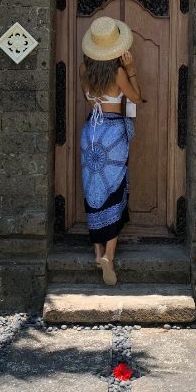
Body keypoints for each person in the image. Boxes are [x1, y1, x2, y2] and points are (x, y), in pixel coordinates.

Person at [79, 15, 143, 286]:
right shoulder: (117, 72)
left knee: (93, 189)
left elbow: (88, 97)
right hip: (114, 132)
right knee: (115, 189)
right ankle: (109, 255)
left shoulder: (84, 70)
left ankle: (96, 251)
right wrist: (130, 69)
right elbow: (137, 97)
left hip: (91, 133)